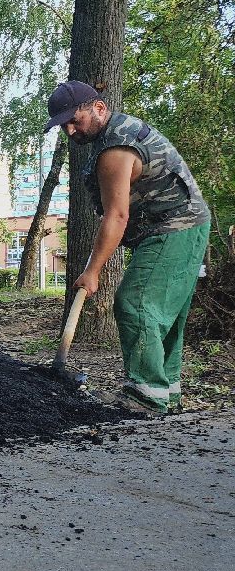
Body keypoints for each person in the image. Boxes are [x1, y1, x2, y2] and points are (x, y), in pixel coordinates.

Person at [46, 79, 210, 414]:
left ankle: (146, 397)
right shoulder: (116, 134)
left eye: (75, 120)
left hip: (173, 228)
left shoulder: (115, 149)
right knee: (164, 312)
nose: (71, 131)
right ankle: (166, 393)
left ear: (99, 108)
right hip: (185, 227)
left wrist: (92, 272)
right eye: (64, 126)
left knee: (136, 303)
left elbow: (116, 216)